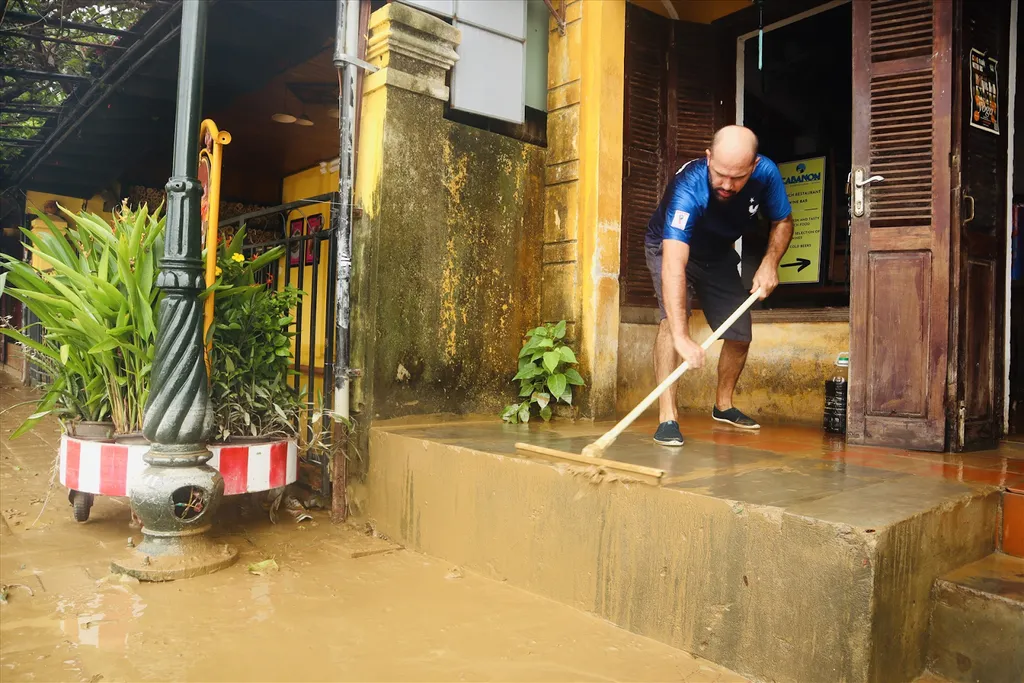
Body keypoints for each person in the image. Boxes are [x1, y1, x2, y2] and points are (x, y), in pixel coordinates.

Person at [644, 125, 793, 446]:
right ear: (709, 158)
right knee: (672, 324)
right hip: (670, 247)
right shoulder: (689, 186)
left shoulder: (766, 174)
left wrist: (770, 263)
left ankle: (723, 405)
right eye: (721, 174)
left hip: (718, 253)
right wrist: (684, 338)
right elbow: (673, 265)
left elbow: (783, 220)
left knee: (739, 334)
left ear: (753, 166)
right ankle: (667, 417)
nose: (727, 185)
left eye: (738, 178)